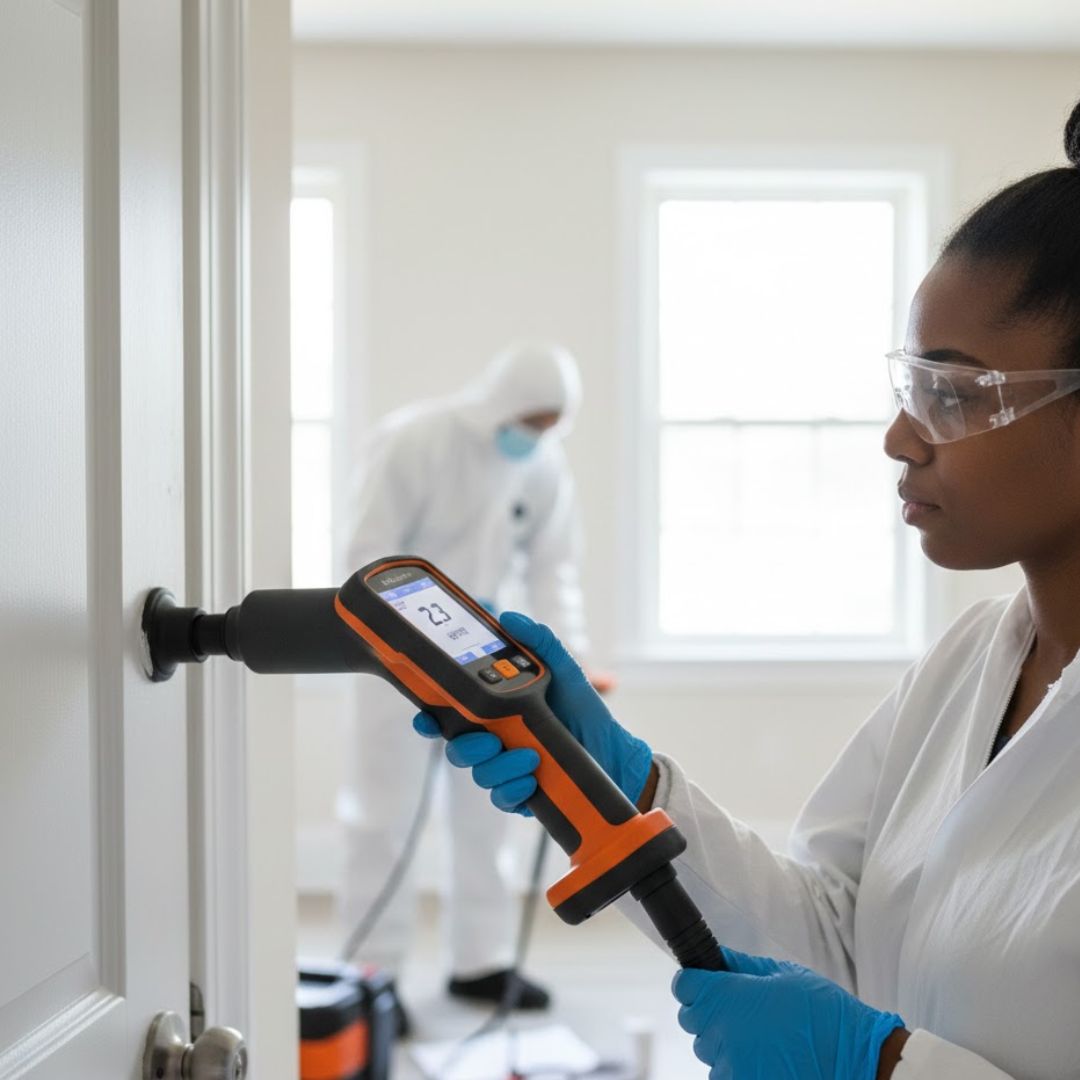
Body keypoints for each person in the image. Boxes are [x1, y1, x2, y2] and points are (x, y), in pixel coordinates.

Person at [414, 101, 1080, 1078]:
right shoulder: (969, 662)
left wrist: (886, 1067)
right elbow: (829, 930)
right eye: (910, 389)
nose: (900, 439)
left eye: (954, 395)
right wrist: (618, 784)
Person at [339, 340, 597, 1025]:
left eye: (550, 424)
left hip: (487, 661)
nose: (536, 435)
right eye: (531, 419)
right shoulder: (414, 441)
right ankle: (374, 975)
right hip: (392, 660)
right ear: (502, 402)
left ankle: (480, 963)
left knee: (492, 813)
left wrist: (571, 663)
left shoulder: (542, 464)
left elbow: (553, 568)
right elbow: (367, 553)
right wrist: (413, 639)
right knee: (382, 817)